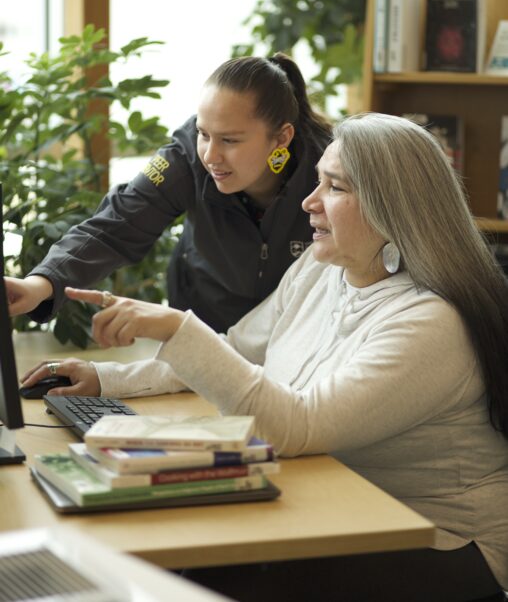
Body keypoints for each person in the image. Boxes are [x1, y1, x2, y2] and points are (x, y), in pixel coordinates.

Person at [22, 112, 508, 601]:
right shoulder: (322, 271)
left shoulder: (432, 322)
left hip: (436, 538)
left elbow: (300, 426)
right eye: (317, 181)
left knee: (212, 573)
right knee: (187, 559)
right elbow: (237, 349)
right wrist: (108, 380)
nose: (309, 202)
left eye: (335, 188)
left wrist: (177, 327)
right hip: (331, 503)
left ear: (392, 207)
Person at [6, 53, 331, 334]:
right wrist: (40, 284)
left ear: (282, 138)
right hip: (203, 329)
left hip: (299, 340)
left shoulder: (333, 170)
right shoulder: (187, 155)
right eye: (204, 133)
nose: (211, 156)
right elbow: (116, 226)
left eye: (230, 140)